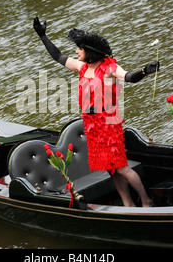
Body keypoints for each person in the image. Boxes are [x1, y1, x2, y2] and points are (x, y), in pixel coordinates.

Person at [33, 17, 159, 207]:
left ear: (89, 52)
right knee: (111, 169)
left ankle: (146, 200)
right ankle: (128, 204)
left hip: (108, 122)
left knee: (122, 167)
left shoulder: (109, 68)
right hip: (92, 124)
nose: (76, 52)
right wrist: (43, 36)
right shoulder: (82, 67)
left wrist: (144, 71)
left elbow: (129, 77)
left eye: (79, 49)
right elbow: (57, 56)